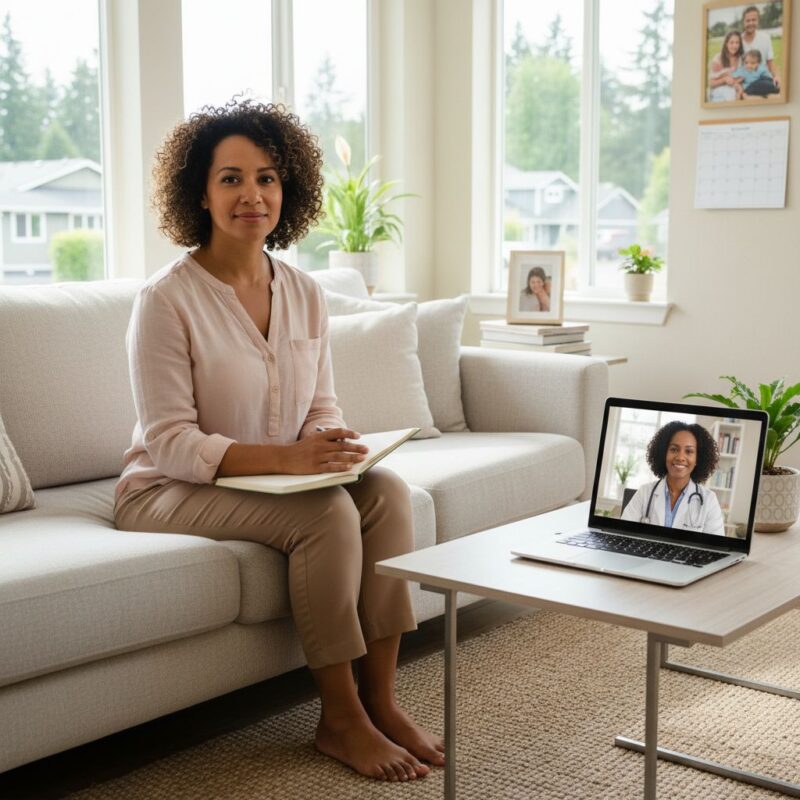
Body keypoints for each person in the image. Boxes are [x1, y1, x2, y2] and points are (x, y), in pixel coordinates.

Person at [113, 100, 443, 782]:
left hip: (269, 478)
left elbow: (320, 404)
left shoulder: (304, 291)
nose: (252, 195)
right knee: (326, 513)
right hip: (167, 489)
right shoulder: (165, 300)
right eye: (230, 178)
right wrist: (290, 460)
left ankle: (381, 699)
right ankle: (340, 719)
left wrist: (327, 442)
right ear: (199, 193)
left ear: (286, 189)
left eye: (266, 177)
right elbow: (170, 441)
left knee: (386, 492)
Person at [621, 421, 725, 535]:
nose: (680, 457)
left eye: (689, 451)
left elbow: (715, 544)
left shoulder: (709, 501)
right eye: (674, 449)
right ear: (664, 453)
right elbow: (623, 533)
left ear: (698, 459)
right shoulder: (644, 493)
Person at [741, 5, 781, 90]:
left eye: (754, 20)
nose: (751, 23)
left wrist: (777, 76)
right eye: (748, 20)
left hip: (763, 77)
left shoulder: (766, 38)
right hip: (747, 80)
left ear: (758, 21)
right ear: (743, 22)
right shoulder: (738, 41)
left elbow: (770, 63)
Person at [708, 30, 745, 102]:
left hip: (734, 87)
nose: (734, 46)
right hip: (719, 90)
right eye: (731, 42)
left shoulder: (740, 58)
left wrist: (737, 83)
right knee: (730, 94)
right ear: (726, 44)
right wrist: (724, 80)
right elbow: (711, 83)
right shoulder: (718, 59)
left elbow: (742, 77)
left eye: (737, 43)